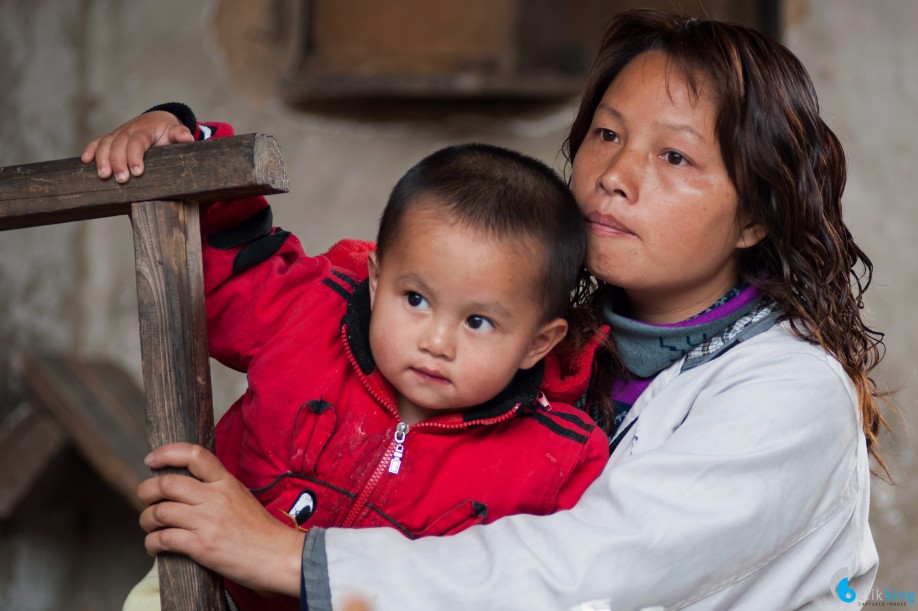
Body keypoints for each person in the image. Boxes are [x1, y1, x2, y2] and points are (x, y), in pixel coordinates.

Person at [86, 7, 892, 610]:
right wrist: (186, 145)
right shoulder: (539, 343)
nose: (616, 173)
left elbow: (593, 570)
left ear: (755, 216)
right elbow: (253, 280)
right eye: (606, 135)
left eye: (674, 155)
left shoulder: (789, 393)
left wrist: (294, 556)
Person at [84, 116, 610, 610]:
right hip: (210, 587)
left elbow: (549, 582)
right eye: (416, 300)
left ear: (538, 344)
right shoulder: (307, 313)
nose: (437, 341)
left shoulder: (557, 462)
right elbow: (223, 254)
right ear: (378, 281)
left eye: (478, 323)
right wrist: (180, 138)